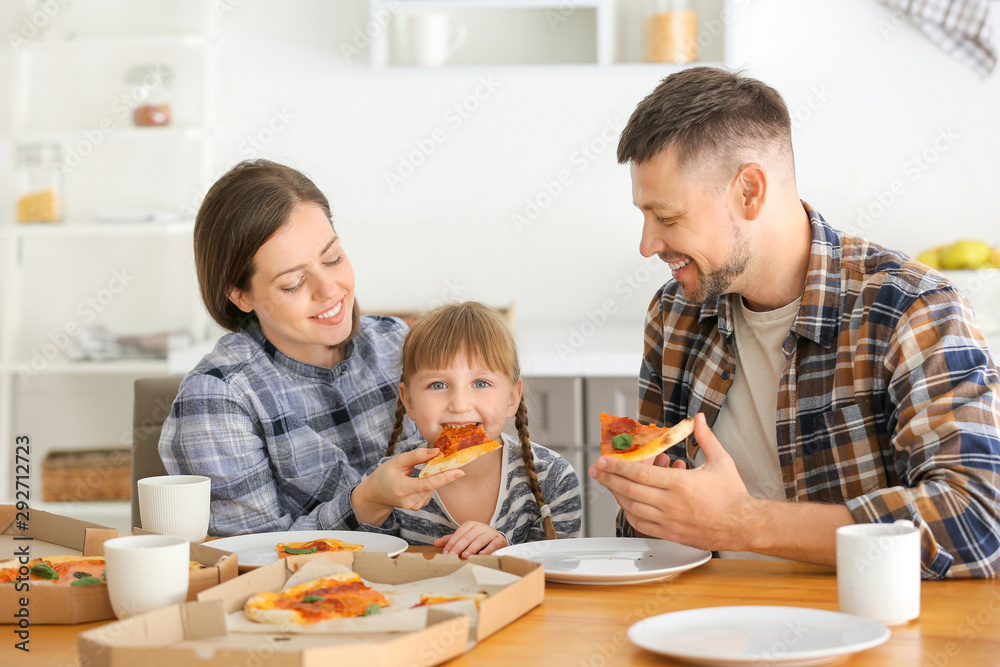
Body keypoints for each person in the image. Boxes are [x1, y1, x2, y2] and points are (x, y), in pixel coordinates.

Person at [590, 67, 1000, 578]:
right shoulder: (674, 315)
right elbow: (652, 545)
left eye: (667, 218)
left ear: (749, 191)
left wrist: (745, 523)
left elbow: (978, 524)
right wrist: (648, 503)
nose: (647, 244)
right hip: (701, 628)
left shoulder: (911, 309)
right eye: (644, 216)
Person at [159, 160, 450, 535]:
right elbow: (252, 560)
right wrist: (368, 502)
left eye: (333, 259)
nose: (329, 289)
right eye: (294, 282)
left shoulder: (398, 343)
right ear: (240, 296)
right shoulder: (219, 397)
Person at [344, 301, 582, 557]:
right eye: (437, 385)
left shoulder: (553, 478)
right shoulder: (386, 483)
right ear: (409, 401)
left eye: (480, 383)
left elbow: (560, 574)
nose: (459, 405)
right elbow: (365, 567)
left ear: (512, 398)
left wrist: (506, 552)